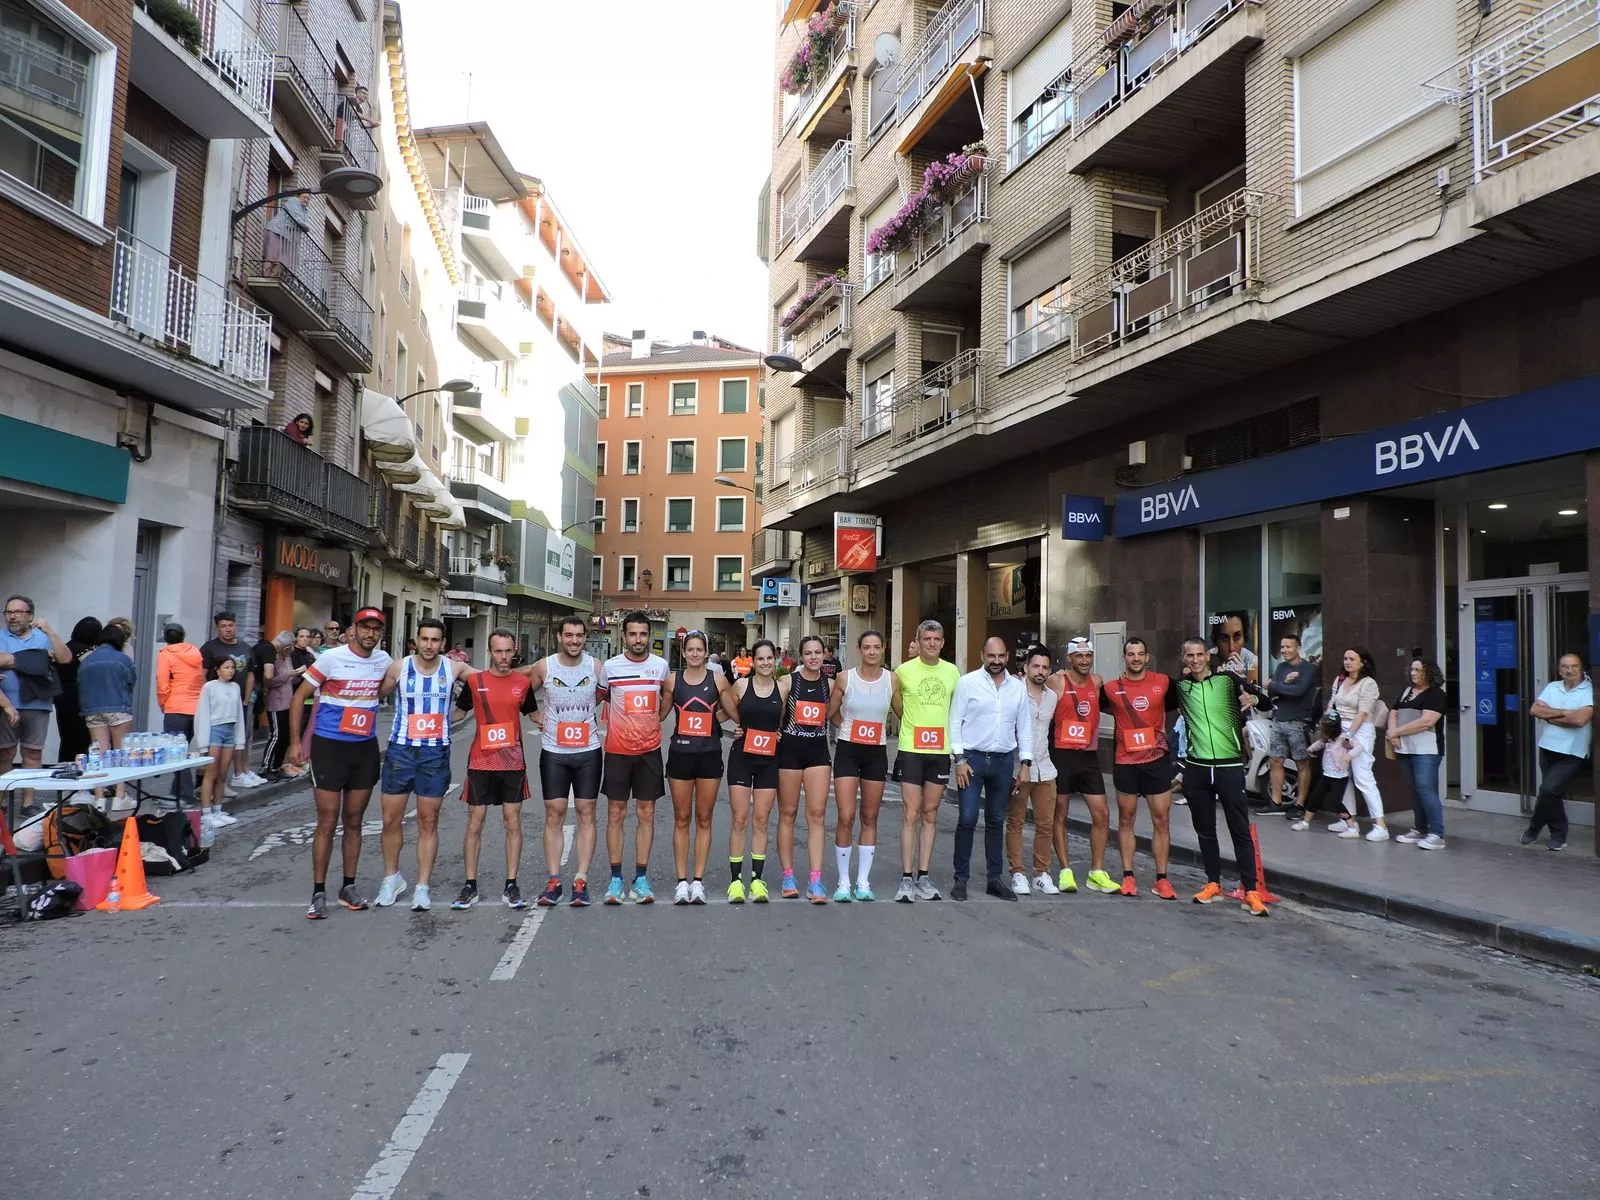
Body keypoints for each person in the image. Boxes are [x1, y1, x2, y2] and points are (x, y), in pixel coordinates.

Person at [287, 608, 393, 918]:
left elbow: (398, 680)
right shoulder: (331, 659)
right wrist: (295, 742)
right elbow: (299, 697)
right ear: (354, 630)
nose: (370, 634)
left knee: (355, 820)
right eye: (365, 628)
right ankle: (318, 891)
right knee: (327, 819)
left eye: (375, 629)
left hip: (363, 749)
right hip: (329, 747)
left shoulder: (384, 661)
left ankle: (348, 885)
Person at [371, 619, 468, 911]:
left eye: (435, 640)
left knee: (428, 821)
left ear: (443, 643)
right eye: (424, 639)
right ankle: (391, 878)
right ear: (417, 639)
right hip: (401, 750)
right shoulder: (399, 668)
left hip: (434, 753)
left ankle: (422, 886)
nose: (429, 645)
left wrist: (462, 709)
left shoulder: (454, 668)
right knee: (390, 819)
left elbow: (491, 681)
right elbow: (376, 693)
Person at [1175, 638, 1271, 916]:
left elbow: (1264, 699)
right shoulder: (1180, 687)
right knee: (1205, 829)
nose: (1195, 660)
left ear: (1208, 655)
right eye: (1189, 655)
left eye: (1199, 654)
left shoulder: (1228, 679)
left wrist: (1253, 698)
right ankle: (1213, 883)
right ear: (1184, 658)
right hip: (1197, 767)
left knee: (1239, 829)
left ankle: (1251, 890)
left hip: (1229, 765)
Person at [449, 629, 540, 909]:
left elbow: (535, 715)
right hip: (481, 762)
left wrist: (563, 725)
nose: (503, 657)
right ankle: (470, 886)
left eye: (508, 651)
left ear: (515, 652)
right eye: (498, 651)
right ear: (490, 652)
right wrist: (428, 721)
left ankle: (511, 885)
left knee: (512, 822)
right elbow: (459, 713)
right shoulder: (475, 682)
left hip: (512, 762)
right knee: (475, 823)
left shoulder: (522, 685)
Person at [527, 616, 605, 908]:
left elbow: (607, 693)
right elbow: (523, 693)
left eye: (579, 635)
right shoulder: (545, 666)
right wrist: (534, 716)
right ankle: (554, 879)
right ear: (559, 636)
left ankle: (581, 880)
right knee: (554, 812)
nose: (574, 640)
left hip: (588, 750)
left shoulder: (596, 667)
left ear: (585, 638)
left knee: (586, 812)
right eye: (569, 635)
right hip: (554, 751)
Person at [949, 636, 1033, 902]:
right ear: (982, 655)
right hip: (971, 761)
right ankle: (960, 879)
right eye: (991, 656)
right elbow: (954, 723)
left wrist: (1026, 763)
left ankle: (994, 880)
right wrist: (959, 760)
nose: (996, 662)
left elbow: (1025, 726)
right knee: (967, 818)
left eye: (1000, 657)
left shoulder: (1017, 687)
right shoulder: (967, 683)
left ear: (1007, 657)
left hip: (1003, 761)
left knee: (997, 821)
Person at [597, 611, 671, 904]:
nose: (638, 639)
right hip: (617, 751)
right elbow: (601, 696)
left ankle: (641, 878)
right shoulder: (611, 667)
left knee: (646, 814)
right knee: (615, 814)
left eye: (643, 634)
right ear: (623, 636)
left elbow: (668, 693)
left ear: (649, 635)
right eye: (632, 634)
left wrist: (659, 718)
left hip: (649, 753)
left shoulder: (660, 666)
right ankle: (615, 880)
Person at [1099, 637, 1181, 899]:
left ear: (1148, 657)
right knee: (1126, 820)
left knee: (1162, 820)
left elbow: (1182, 701)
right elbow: (1095, 706)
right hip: (1125, 763)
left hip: (1157, 762)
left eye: (1140, 654)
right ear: (1125, 658)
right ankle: (1128, 876)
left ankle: (1161, 879)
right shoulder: (1111, 688)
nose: (1135, 658)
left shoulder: (1164, 682)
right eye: (1130, 654)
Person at [827, 629, 901, 901]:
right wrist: (844, 728)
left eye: (876, 647)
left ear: (883, 649)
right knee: (846, 815)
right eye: (866, 647)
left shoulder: (892, 680)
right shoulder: (845, 677)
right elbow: (830, 711)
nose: (871, 651)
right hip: (848, 751)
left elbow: (902, 712)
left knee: (870, 817)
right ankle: (844, 882)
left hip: (876, 753)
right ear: (859, 649)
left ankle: (863, 881)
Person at [1045, 637, 1117, 895]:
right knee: (1060, 813)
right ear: (1070, 658)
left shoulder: (1097, 682)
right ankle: (1065, 871)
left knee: (1102, 814)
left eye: (1088, 656)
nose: (1084, 661)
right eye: (1079, 656)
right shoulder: (1056, 681)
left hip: (1088, 756)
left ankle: (1096, 872)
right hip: (1062, 754)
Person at [894, 619, 960, 902]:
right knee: (911, 813)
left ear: (943, 643)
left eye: (937, 639)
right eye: (927, 639)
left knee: (930, 813)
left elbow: (957, 710)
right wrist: (910, 724)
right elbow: (896, 704)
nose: (932, 643)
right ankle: (906, 877)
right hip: (911, 749)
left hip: (940, 752)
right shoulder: (903, 671)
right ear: (918, 642)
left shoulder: (953, 672)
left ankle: (924, 875)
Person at [664, 630, 731, 905]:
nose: (694, 654)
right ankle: (682, 882)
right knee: (682, 818)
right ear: (683, 653)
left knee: (704, 818)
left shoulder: (718, 679)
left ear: (706, 652)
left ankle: (698, 881)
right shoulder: (672, 680)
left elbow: (734, 711)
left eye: (698, 650)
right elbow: (660, 714)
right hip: (680, 754)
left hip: (709, 754)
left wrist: (716, 720)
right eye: (689, 649)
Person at [719, 639, 788, 902]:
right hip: (741, 758)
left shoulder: (781, 689)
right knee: (740, 819)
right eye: (760, 659)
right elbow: (726, 713)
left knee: (761, 820)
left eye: (770, 658)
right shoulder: (741, 685)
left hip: (769, 760)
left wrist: (779, 734)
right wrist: (720, 726)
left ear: (775, 660)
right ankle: (735, 881)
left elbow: (780, 722)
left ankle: (757, 881)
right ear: (753, 661)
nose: (766, 663)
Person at [0, 596, 71, 813]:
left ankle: (28, 803)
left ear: (30, 615)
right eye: (8, 612)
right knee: (4, 753)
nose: (12, 616)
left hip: (37, 703)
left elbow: (65, 658)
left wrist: (49, 631)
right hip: (5, 703)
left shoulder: (42, 637)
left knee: (33, 754)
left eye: (18, 612)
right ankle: (1, 802)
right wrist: (34, 660)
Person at [777, 635, 833, 902]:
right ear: (801, 657)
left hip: (818, 753)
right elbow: (772, 713)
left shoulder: (831, 685)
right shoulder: (788, 682)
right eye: (808, 653)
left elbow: (837, 715)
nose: (813, 657)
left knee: (817, 815)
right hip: (789, 752)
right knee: (787, 814)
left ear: (824, 655)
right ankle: (788, 876)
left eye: (818, 653)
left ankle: (815, 880)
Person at [1523, 652, 1593, 852]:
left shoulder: (1589, 690)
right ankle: (1558, 836)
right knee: (1552, 794)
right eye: (1565, 667)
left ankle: (1534, 827)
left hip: (1573, 752)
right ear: (1559, 669)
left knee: (1547, 790)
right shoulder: (1553, 687)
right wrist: (1566, 713)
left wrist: (1550, 715)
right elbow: (1535, 710)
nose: (1569, 670)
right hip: (1547, 747)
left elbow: (1580, 721)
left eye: (1574, 666)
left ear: (1581, 669)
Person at [1007, 645, 1061, 896]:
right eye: (1036, 666)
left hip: (1046, 767)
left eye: (1045, 667)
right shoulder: (1013, 693)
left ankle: (1041, 873)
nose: (1040, 671)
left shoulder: (1052, 696)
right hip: (1019, 768)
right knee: (1016, 822)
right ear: (1026, 667)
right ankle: (1017, 873)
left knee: (1046, 824)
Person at [1325, 647, 1387, 841]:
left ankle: (1381, 825)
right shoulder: (1340, 680)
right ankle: (1349, 821)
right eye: (1345, 658)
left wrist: (1349, 735)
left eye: (1352, 658)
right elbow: (1332, 704)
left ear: (1363, 662)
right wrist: (1327, 727)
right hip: (1338, 729)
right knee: (1341, 774)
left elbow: (1363, 712)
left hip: (1360, 731)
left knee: (1363, 776)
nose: (1347, 661)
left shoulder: (1369, 684)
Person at [1385, 658, 1448, 849]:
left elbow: (1426, 722)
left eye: (1418, 670)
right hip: (1405, 748)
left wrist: (1396, 732)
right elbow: (1393, 712)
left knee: (1425, 788)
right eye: (1412, 669)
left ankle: (1437, 833)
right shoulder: (1406, 692)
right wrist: (1392, 732)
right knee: (1414, 789)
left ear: (1429, 672)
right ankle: (1420, 829)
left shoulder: (1436, 695)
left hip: (1426, 750)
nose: (1413, 673)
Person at [201, 612, 263, 791]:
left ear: (235, 625)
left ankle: (241, 771)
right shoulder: (210, 647)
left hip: (240, 700)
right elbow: (202, 675)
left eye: (230, 625)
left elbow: (251, 674)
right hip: (219, 705)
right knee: (221, 743)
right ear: (217, 628)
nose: (228, 629)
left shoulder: (244, 647)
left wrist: (247, 698)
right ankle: (226, 779)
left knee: (242, 738)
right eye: (223, 626)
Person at [78, 624, 137, 805]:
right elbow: (130, 681)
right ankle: (120, 796)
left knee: (98, 753)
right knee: (121, 753)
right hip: (118, 707)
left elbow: (80, 684)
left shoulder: (86, 660)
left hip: (92, 710)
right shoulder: (122, 659)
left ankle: (99, 797)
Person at [1265, 633, 1320, 815]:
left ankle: (1300, 804)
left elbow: (1299, 691)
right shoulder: (1281, 667)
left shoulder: (1309, 669)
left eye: (1288, 647)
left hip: (1298, 722)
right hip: (1279, 719)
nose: (1284, 651)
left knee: (1302, 763)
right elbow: (1269, 688)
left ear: (1298, 648)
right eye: (1282, 647)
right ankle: (1276, 802)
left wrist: (1276, 685)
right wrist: (1282, 684)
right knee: (1275, 761)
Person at [194, 657, 247, 833]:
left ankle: (218, 809)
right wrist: (203, 743)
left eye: (232, 667)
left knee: (223, 774)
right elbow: (202, 714)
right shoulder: (209, 687)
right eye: (226, 667)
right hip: (215, 730)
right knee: (211, 773)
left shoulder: (236, 687)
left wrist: (240, 739)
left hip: (230, 730)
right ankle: (207, 812)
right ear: (217, 669)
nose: (230, 670)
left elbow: (239, 713)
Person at [156, 623, 204, 805]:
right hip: (195, 706)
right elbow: (199, 679)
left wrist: (163, 704)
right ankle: (176, 791)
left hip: (175, 707)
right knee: (182, 750)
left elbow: (162, 684)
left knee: (176, 753)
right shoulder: (195, 652)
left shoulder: (166, 654)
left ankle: (185, 794)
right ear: (183, 635)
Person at [53, 616, 101, 764]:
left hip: (63, 696)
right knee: (85, 738)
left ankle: (64, 771)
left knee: (67, 737)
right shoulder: (93, 653)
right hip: (85, 697)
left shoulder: (65, 648)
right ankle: (83, 771)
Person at [259, 632, 301, 780]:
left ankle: (277, 767)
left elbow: (292, 681)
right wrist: (286, 675)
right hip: (275, 702)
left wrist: (297, 674)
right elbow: (269, 682)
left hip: (288, 702)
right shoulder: (273, 658)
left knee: (285, 737)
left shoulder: (288, 658)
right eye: (289, 648)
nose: (290, 651)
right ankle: (265, 767)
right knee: (276, 736)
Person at [1211, 612, 1259, 683]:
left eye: (1237, 637)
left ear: (1244, 639)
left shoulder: (1253, 662)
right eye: (1225, 638)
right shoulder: (1206, 659)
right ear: (1216, 641)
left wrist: (1241, 678)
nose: (1231, 648)